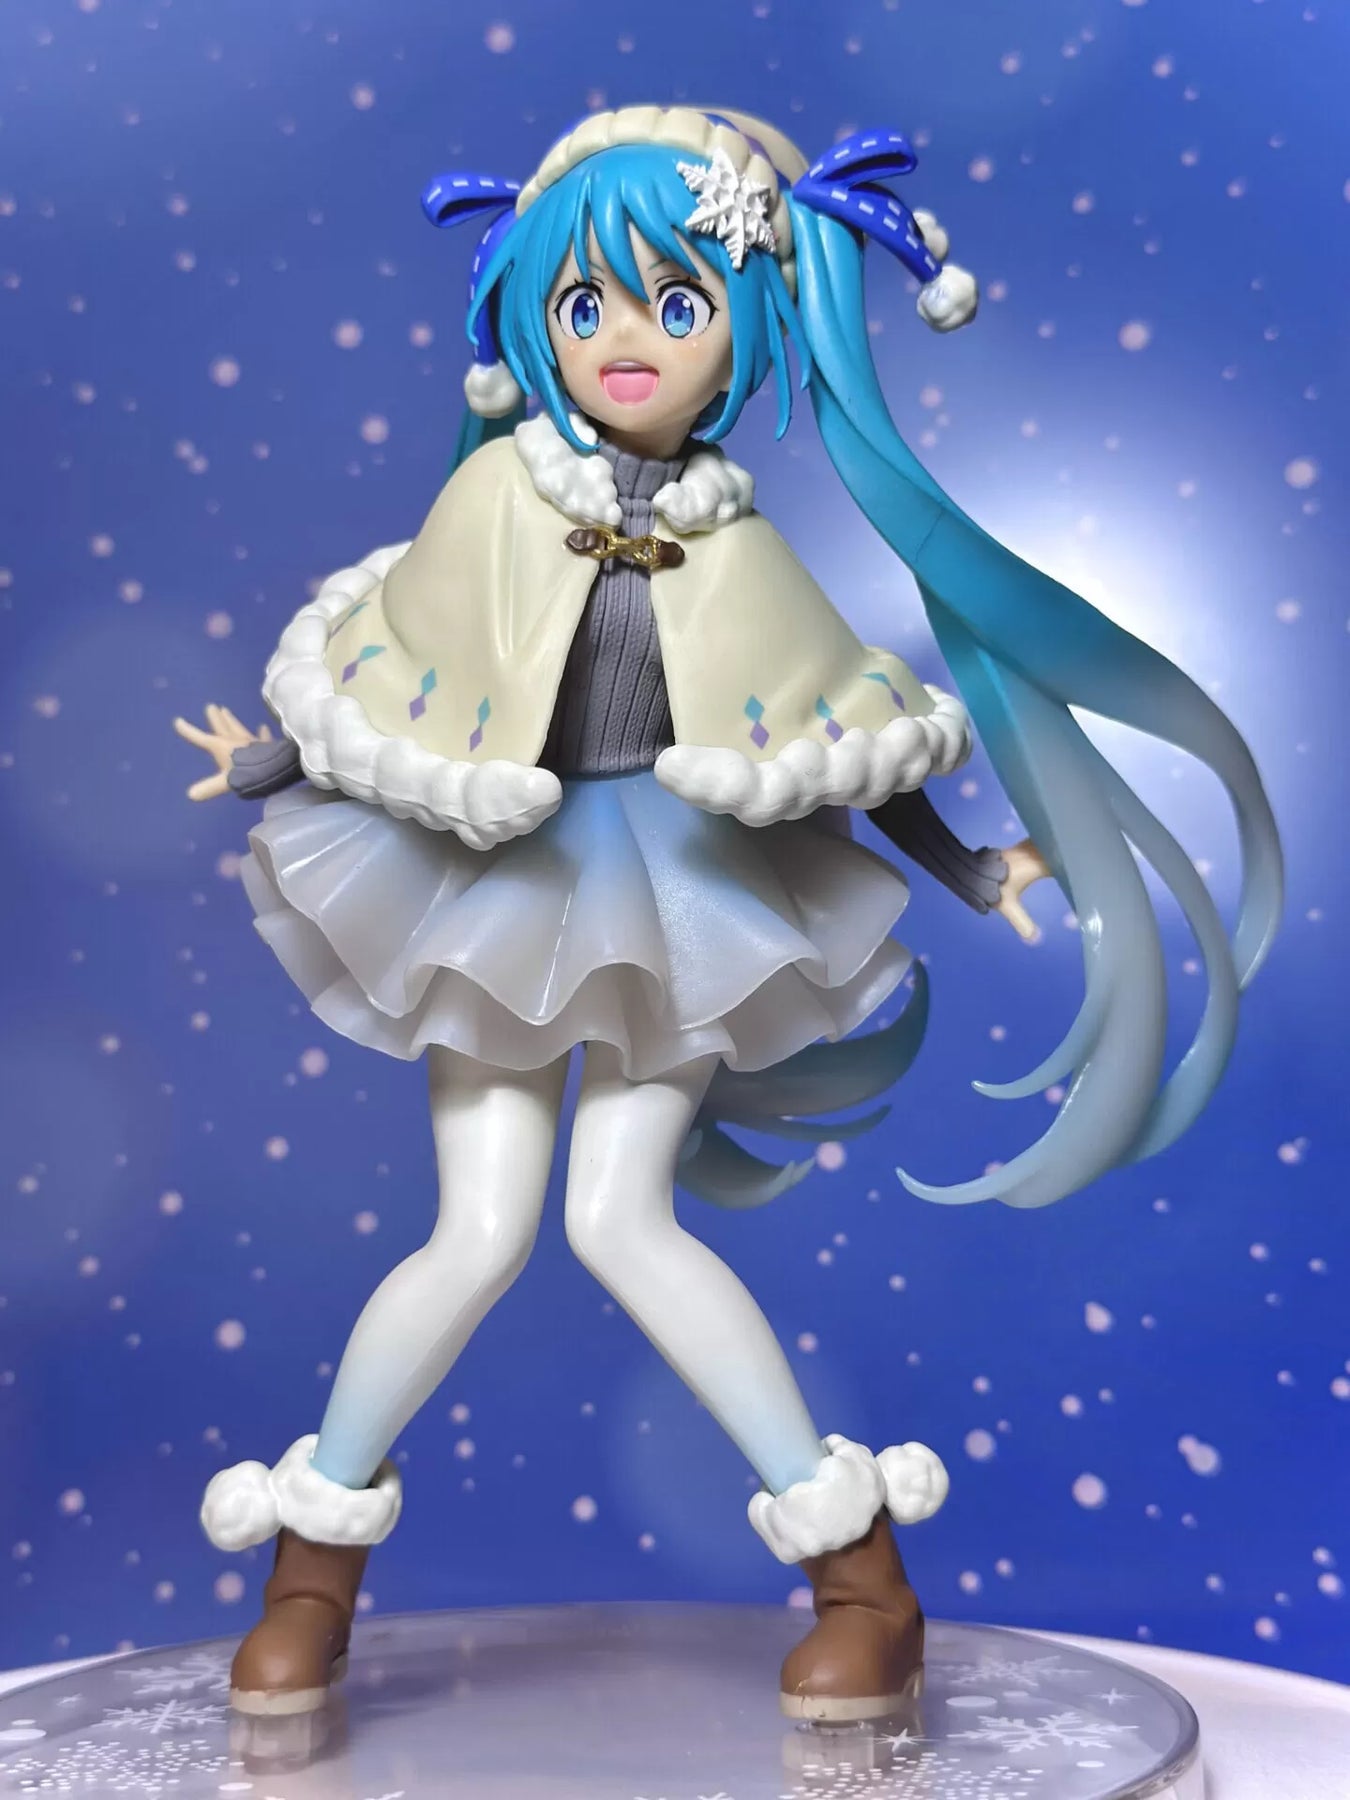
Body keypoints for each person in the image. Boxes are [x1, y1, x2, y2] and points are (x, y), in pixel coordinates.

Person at [175, 106, 1281, 1727]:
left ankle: (863, 1586)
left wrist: (974, 867)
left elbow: (832, 735)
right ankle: (309, 1575)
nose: (625, 338)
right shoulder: (494, 499)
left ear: (746, 321)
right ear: (535, 319)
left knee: (622, 1223)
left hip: (671, 893)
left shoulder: (739, 547)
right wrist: (272, 762)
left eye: (677, 302)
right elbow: (399, 672)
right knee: (473, 1235)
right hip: (489, 888)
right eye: (586, 303)